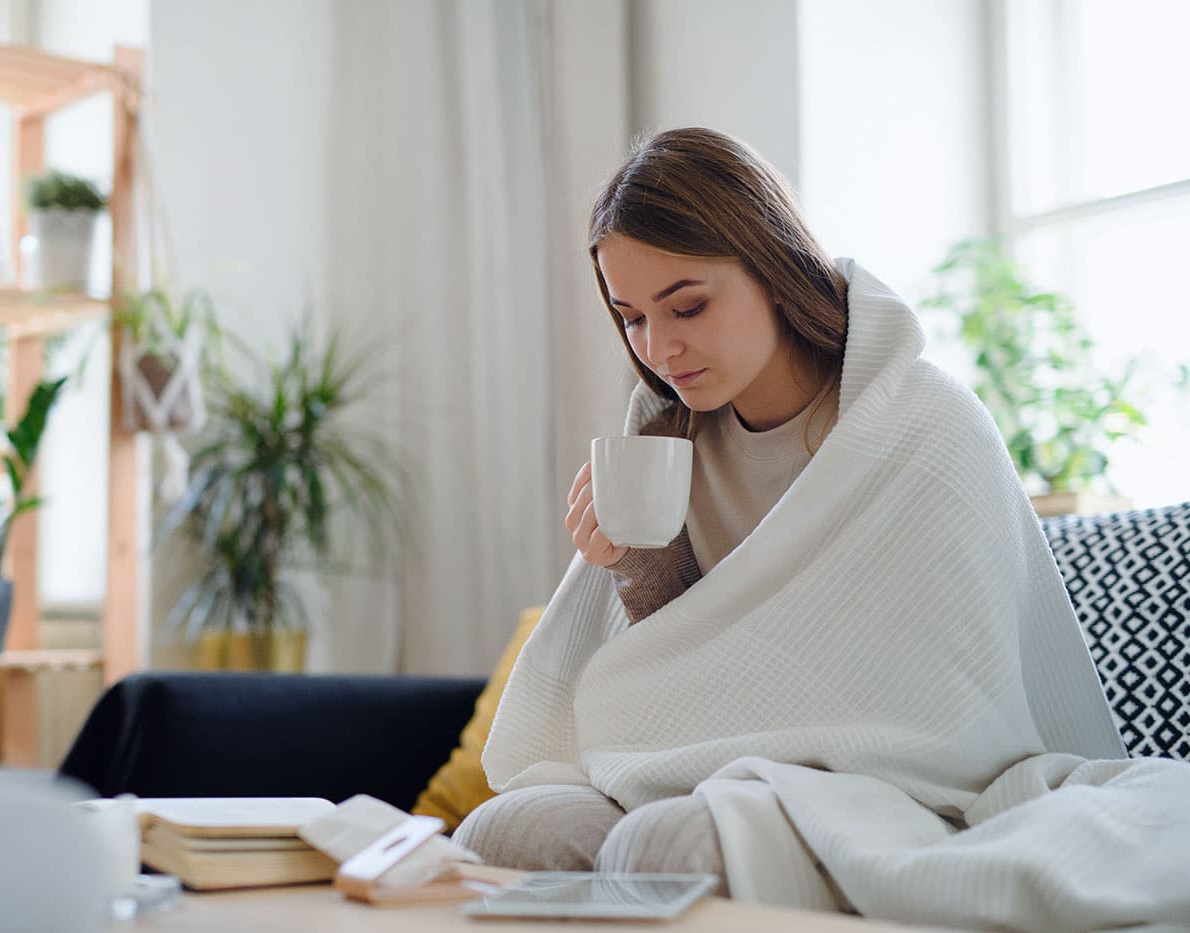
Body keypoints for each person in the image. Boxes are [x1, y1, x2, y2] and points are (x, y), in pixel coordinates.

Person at [454, 128, 1190, 929]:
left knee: (663, 847)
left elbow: (948, 709)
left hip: (884, 783)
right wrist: (635, 566)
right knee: (506, 831)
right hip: (687, 765)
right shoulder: (665, 438)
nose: (659, 348)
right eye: (630, 318)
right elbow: (684, 661)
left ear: (771, 266)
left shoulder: (923, 424)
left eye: (688, 306)